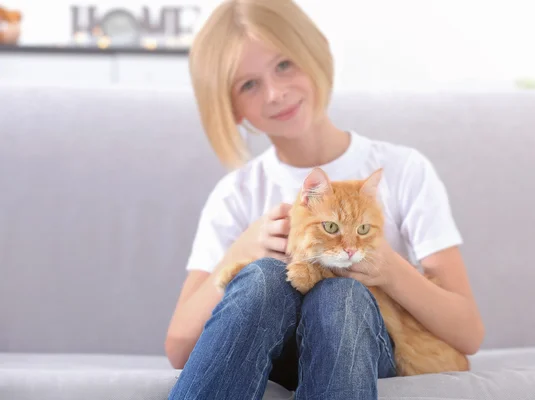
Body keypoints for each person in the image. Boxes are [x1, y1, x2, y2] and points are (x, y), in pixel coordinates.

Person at [165, 0, 485, 399]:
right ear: (231, 108)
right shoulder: (238, 193)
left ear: (314, 52)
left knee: (341, 296)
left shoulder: (401, 170)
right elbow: (178, 346)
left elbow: (468, 333)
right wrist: (238, 254)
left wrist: (388, 269)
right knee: (263, 276)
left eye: (284, 65)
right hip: (270, 350)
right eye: (249, 84)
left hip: (364, 346)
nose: (276, 93)